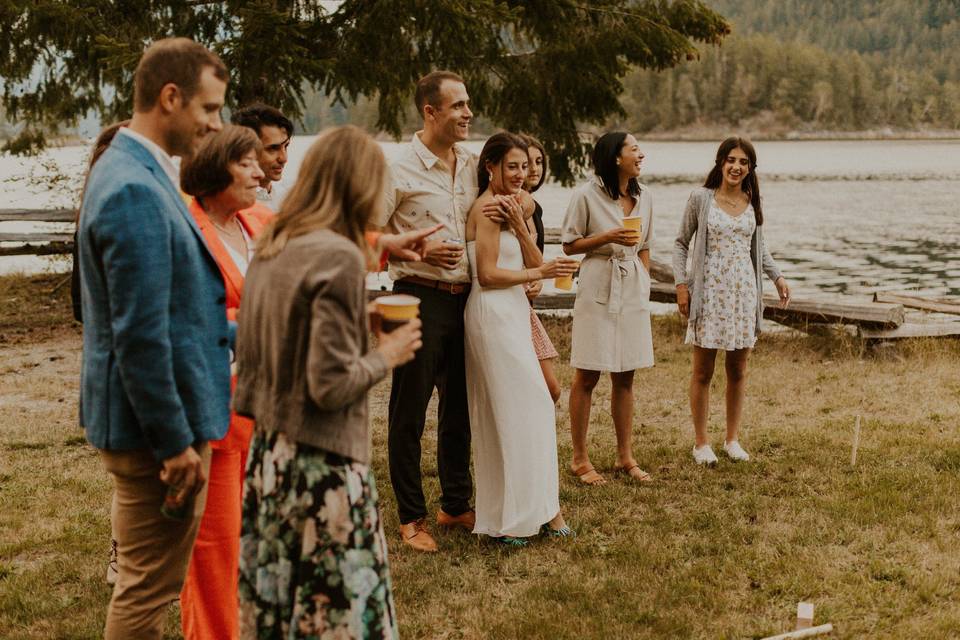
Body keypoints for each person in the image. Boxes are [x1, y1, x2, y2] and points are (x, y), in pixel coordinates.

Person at [233, 125, 421, 639]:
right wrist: (387, 353)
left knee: (279, 610)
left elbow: (287, 340)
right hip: (322, 468)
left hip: (272, 458)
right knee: (332, 617)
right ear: (360, 186)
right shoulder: (337, 255)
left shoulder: (275, 242)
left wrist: (360, 325)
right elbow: (330, 385)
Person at [75, 38, 229, 639]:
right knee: (148, 591)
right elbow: (139, 336)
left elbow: (177, 313)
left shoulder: (136, 169)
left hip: (153, 422)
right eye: (209, 109)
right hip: (155, 432)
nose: (216, 125)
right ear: (171, 97)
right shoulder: (135, 188)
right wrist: (172, 443)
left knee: (150, 582)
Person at [373, 70, 478, 552]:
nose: (468, 114)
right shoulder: (397, 170)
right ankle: (411, 517)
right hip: (417, 298)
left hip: (468, 302)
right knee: (408, 413)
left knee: (460, 409)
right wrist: (419, 254)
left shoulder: (476, 165)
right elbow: (367, 237)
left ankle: (456, 504)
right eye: (457, 106)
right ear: (430, 112)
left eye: (468, 104)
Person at [177, 125, 272, 640]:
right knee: (215, 545)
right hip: (213, 408)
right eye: (248, 163)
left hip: (265, 406)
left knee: (258, 535)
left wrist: (386, 245)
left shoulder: (256, 219)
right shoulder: (185, 229)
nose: (261, 171)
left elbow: (318, 239)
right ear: (216, 170)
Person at [464, 132, 577, 545]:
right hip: (491, 314)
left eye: (524, 167)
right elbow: (490, 275)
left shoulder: (513, 208)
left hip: (514, 312)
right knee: (516, 412)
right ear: (489, 167)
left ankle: (545, 511)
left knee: (532, 411)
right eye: (511, 166)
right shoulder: (487, 208)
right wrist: (537, 274)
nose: (521, 174)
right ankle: (514, 518)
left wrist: (521, 225)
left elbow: (535, 259)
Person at [673, 137, 791, 466]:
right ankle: (701, 443)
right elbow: (681, 243)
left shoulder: (752, 202)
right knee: (703, 372)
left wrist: (777, 276)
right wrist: (681, 284)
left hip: (743, 297)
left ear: (750, 168)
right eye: (731, 160)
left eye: (743, 162)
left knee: (738, 371)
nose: (737, 167)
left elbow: (759, 248)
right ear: (720, 163)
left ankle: (732, 439)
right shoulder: (701, 199)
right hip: (710, 296)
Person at [560, 132, 655, 486]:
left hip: (632, 287)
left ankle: (624, 456)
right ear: (616, 157)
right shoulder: (586, 195)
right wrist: (608, 237)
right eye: (634, 149)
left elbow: (646, 244)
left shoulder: (645, 197)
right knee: (587, 373)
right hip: (598, 284)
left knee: (626, 373)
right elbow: (569, 245)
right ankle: (579, 459)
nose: (640, 154)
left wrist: (643, 279)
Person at [518, 133, 562, 403]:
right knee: (545, 389)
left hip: (527, 304)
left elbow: (534, 259)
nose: (534, 169)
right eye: (525, 163)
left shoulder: (537, 210)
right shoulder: (500, 206)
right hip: (506, 301)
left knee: (549, 390)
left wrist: (538, 280)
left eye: (538, 161)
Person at [230, 103, 293, 210]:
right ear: (245, 149)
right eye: (273, 148)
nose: (284, 158)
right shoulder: (234, 205)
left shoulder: (292, 194)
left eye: (286, 146)